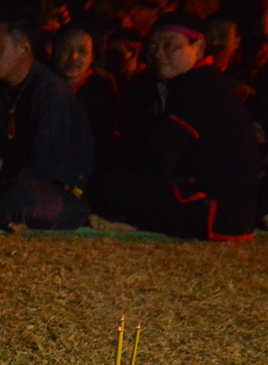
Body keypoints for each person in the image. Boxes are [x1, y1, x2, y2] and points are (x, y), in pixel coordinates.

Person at [89, 14, 260, 240]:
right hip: (202, 195)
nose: (159, 54)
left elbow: (160, 155)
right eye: (153, 46)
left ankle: (129, 216)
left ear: (198, 48)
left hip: (219, 209)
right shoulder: (164, 84)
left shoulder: (204, 86)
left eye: (169, 46)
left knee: (113, 186)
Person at [0, 11, 94, 230]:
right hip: (6, 183)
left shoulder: (50, 93)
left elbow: (44, 170)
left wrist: (2, 181)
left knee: (23, 197)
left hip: (52, 194)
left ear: (24, 47)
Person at [52, 26, 119, 171]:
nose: (74, 56)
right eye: (66, 49)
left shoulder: (102, 98)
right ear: (54, 51)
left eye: (82, 51)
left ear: (92, 57)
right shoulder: (38, 89)